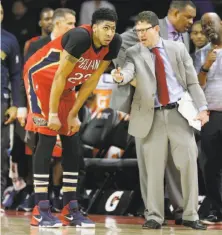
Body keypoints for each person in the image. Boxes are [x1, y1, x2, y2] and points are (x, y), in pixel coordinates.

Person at [22, 8, 121, 227]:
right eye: (105, 28)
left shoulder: (114, 43)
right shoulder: (79, 37)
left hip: (65, 85)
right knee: (47, 138)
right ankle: (41, 207)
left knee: (73, 143)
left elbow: (92, 80)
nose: (110, 33)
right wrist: (55, 114)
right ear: (93, 27)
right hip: (42, 79)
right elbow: (58, 75)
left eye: (113, 29)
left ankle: (70, 207)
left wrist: (74, 114)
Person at [112, 11, 208, 230]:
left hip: (179, 114)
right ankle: (154, 215)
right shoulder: (134, 52)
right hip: (150, 116)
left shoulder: (177, 48)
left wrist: (202, 108)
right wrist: (120, 77)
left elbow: (192, 82)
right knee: (152, 170)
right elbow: (127, 71)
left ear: (156, 29)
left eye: (144, 31)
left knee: (188, 165)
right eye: (137, 31)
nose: (140, 35)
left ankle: (191, 214)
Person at [195, 12, 222, 224]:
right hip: (211, 113)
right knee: (209, 166)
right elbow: (197, 85)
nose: (208, 28)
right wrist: (205, 65)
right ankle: (215, 209)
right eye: (204, 25)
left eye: (210, 23)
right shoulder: (202, 53)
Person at [1, 3, 22, 202]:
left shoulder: (9, 40)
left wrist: (16, 104)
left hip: (1, 101)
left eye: (0, 12)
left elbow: (16, 75)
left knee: (0, 152)